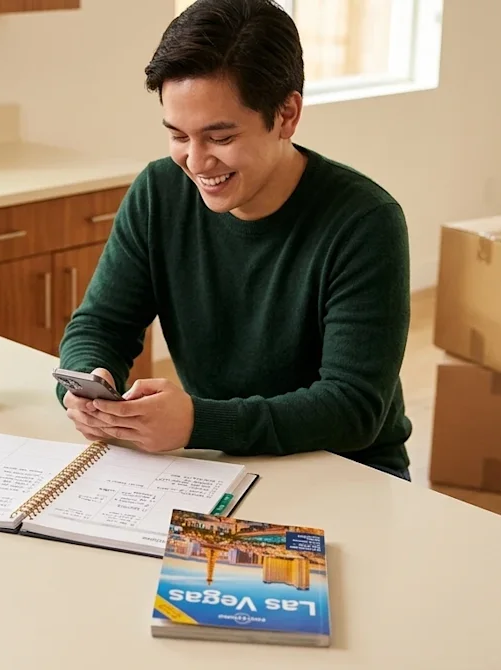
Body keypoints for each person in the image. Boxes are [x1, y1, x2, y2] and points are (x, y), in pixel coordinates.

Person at [54, 0, 413, 481]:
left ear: (286, 115)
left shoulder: (366, 222)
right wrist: (88, 381)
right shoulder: (160, 192)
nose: (196, 162)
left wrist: (198, 422)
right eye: (179, 135)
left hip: (348, 470)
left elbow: (352, 408)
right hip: (225, 461)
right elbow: (101, 324)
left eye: (219, 138)